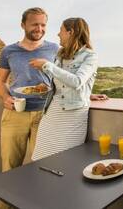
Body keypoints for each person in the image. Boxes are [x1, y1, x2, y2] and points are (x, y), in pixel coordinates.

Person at [0, 10, 106, 208]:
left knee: (46, 168)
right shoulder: (9, 51)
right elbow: (0, 82)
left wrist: (87, 94)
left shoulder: (55, 50)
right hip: (19, 114)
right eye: (34, 25)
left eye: (43, 25)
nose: (40, 29)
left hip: (46, 112)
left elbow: (72, 80)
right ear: (23, 25)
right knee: (10, 169)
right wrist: (5, 97)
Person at [29, 17, 97, 160]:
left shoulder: (90, 56)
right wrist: (46, 87)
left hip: (73, 116)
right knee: (40, 158)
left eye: (61, 30)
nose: (58, 34)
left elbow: (77, 81)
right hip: (52, 113)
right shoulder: (60, 54)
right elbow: (61, 85)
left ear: (70, 32)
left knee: (66, 161)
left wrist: (47, 66)